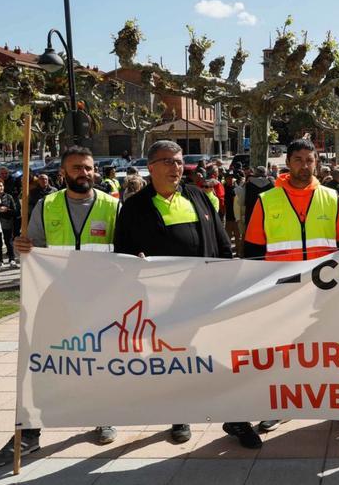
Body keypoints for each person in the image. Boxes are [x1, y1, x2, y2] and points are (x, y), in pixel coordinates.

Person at [0, 146, 120, 468]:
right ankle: (29, 434)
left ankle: (104, 417)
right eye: (76, 168)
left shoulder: (113, 206)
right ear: (63, 172)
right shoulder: (46, 205)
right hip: (55, 302)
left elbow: (125, 252)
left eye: (88, 168)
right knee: (42, 367)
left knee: (101, 363)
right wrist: (22, 248)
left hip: (99, 304)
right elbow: (32, 249)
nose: (83, 173)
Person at [114, 140, 230, 447]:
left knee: (218, 356)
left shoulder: (197, 196)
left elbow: (220, 241)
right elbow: (122, 255)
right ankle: (181, 417)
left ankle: (236, 419)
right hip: (164, 301)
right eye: (167, 161)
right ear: (150, 168)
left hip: (205, 294)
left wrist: (229, 277)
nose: (175, 167)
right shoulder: (134, 207)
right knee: (176, 359)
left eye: (179, 162)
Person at [242, 138, 339, 442]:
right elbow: (252, 251)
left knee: (331, 352)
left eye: (309, 160)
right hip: (283, 294)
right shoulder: (267, 200)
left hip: (325, 293)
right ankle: (282, 405)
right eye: (298, 160)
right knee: (285, 353)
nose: (304, 166)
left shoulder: (332, 198)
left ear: (316, 162)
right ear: (287, 162)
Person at [0, 177, 19, 267]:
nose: (0, 188)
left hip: (7, 221)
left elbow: (15, 211)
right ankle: (0, 261)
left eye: (1, 186)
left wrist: (7, 209)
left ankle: (12, 259)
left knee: (9, 241)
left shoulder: (8, 196)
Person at [223, 172, 242, 256]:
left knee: (238, 237)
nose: (230, 179)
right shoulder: (223, 189)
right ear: (226, 179)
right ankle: (228, 254)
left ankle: (238, 253)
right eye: (229, 178)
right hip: (227, 218)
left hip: (236, 218)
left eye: (231, 178)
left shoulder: (237, 189)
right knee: (227, 238)